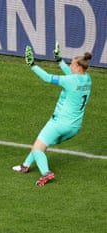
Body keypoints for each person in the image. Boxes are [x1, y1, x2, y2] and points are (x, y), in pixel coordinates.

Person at [12, 42, 92, 186]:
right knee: (42, 143)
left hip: (59, 123)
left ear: (78, 66)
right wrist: (59, 60)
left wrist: (33, 65)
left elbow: (47, 78)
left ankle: (46, 173)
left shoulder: (70, 81)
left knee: (38, 148)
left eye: (72, 64)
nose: (70, 66)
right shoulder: (87, 79)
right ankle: (25, 166)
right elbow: (71, 75)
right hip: (74, 128)